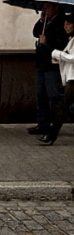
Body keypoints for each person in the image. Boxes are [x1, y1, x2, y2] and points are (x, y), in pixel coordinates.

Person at [27, 2, 68, 140]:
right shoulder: (47, 21)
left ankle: (54, 127)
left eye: (47, 7)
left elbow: (61, 44)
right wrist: (41, 19)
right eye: (44, 7)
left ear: (56, 8)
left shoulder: (62, 22)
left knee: (54, 96)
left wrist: (46, 43)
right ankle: (43, 124)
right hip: (43, 65)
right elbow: (35, 32)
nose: (44, 9)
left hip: (52, 66)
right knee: (41, 95)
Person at [49, 14, 74, 142]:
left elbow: (72, 57)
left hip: (73, 79)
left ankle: (51, 136)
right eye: (65, 24)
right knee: (66, 107)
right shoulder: (70, 39)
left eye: (68, 24)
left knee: (64, 107)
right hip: (70, 78)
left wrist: (57, 54)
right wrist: (58, 58)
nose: (66, 27)